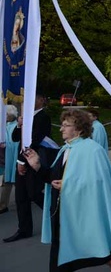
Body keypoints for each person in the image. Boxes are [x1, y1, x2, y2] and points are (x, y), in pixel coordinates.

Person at [23, 109, 111, 271]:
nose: (61, 129)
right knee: (71, 251)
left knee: (89, 246)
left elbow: (98, 183)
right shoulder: (65, 149)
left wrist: (68, 185)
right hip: (62, 212)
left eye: (66, 125)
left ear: (78, 129)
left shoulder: (93, 150)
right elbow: (54, 178)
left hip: (81, 212)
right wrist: (37, 165)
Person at [4, 93, 53, 243]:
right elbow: (15, 138)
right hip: (23, 160)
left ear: (41, 99)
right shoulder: (27, 117)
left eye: (34, 98)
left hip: (33, 161)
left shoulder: (43, 117)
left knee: (34, 193)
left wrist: (21, 161)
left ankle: (58, 214)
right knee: (21, 197)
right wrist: (19, 125)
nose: (29, 101)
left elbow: (35, 140)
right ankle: (24, 229)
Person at [0, 105, 20, 214]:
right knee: (7, 181)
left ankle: (27, 199)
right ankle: (3, 205)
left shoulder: (17, 125)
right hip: (6, 157)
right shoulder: (3, 125)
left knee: (19, 182)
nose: (5, 116)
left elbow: (15, 141)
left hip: (14, 156)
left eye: (7, 114)